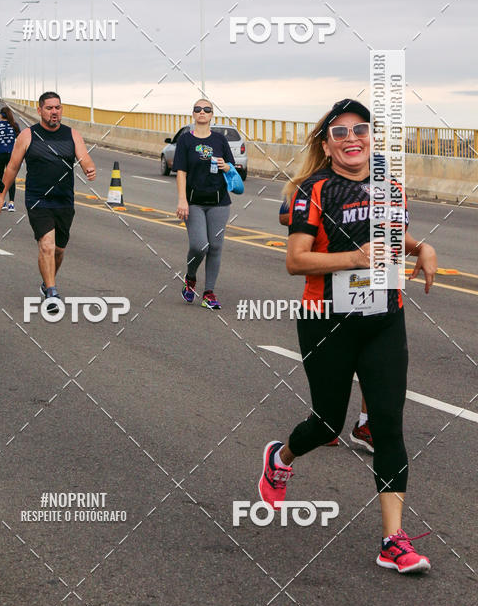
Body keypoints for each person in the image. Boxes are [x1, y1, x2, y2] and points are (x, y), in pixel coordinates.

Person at [258, 99, 437, 573]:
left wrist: (422, 247)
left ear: (372, 138)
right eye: (340, 132)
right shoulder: (313, 190)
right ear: (327, 144)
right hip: (326, 321)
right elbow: (296, 260)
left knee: (388, 424)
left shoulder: (390, 187)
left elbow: (393, 240)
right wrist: (355, 258)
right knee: (327, 424)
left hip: (384, 320)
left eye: (360, 130)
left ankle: (393, 540)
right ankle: (280, 457)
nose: (352, 138)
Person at [280, 193, 373, 453]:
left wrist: (420, 248)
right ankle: (324, 419)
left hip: (371, 286)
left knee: (373, 360)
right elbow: (284, 216)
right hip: (329, 286)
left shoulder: (381, 181)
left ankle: (366, 424)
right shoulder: (315, 184)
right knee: (336, 364)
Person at [0, 92, 96, 305]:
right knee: (47, 245)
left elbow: (84, 157)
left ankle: (47, 283)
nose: (54, 112)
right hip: (38, 200)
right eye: (49, 108)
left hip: (64, 200)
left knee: (58, 250)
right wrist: (2, 195)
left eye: (57, 107)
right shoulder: (28, 136)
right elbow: (12, 167)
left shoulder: (72, 134)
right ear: (40, 110)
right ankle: (51, 292)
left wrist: (89, 168)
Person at [174, 99, 234, 310]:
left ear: (211, 115)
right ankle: (190, 278)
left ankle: (209, 293)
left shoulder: (219, 140)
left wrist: (226, 166)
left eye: (206, 109)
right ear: (193, 114)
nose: (202, 112)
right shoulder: (185, 140)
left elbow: (231, 167)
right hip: (194, 202)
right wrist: (182, 199)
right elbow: (181, 172)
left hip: (219, 202)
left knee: (215, 247)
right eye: (198, 109)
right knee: (199, 246)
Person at [0, 106, 20, 211]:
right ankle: (11, 203)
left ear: (1, 115)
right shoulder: (15, 125)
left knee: (0, 177)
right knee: (11, 178)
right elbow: (18, 142)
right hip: (12, 155)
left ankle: (1, 201)